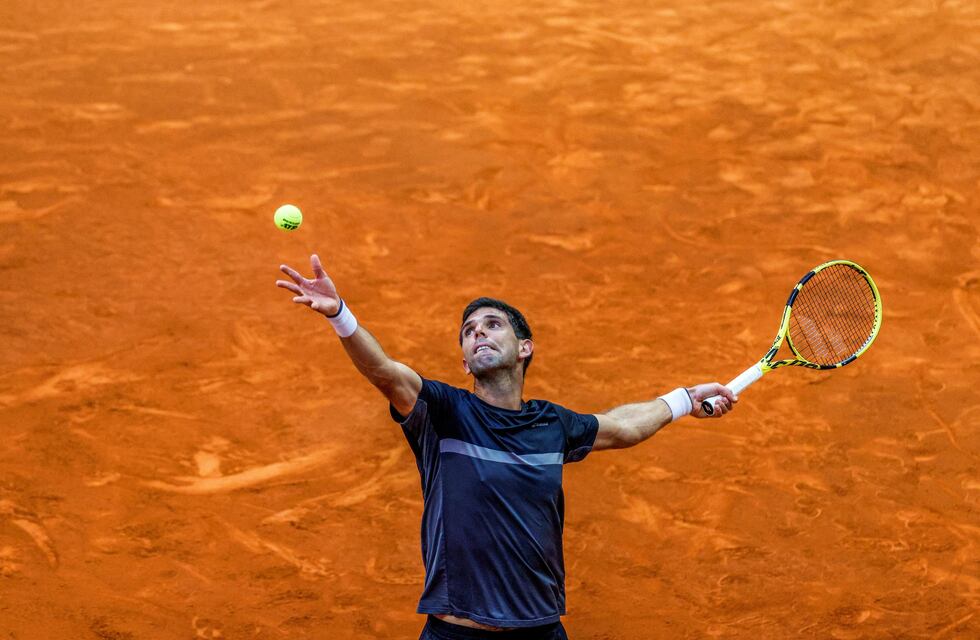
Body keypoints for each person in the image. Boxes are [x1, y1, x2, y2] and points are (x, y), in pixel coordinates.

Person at [276, 254, 737, 639]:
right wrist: (341, 315)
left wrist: (682, 400)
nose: (478, 332)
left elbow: (621, 427)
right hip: (455, 631)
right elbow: (385, 373)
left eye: (493, 325)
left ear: (524, 348)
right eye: (469, 330)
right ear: (464, 361)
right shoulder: (443, 413)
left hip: (539, 629)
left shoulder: (550, 424)